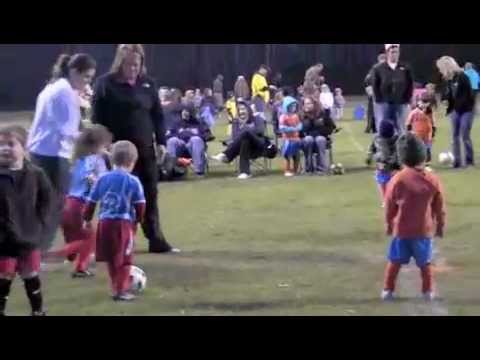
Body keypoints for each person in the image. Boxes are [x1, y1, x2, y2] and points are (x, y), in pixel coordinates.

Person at [92, 44, 179, 254]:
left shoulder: (148, 84)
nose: (133, 68)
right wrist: (104, 145)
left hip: (145, 150)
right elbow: (97, 119)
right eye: (129, 64)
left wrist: (161, 142)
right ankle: (115, 243)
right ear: (120, 63)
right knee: (118, 196)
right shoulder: (105, 84)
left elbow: (158, 116)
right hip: (118, 152)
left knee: (149, 194)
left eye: (136, 64)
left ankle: (156, 240)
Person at [27, 53, 97, 254]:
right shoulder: (65, 92)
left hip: (39, 153)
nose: (87, 83)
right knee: (54, 206)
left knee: (43, 205)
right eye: (86, 77)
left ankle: (34, 249)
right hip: (54, 156)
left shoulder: (52, 87)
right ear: (74, 71)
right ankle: (37, 252)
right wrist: (92, 139)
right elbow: (69, 132)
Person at [381, 133, 446, 302]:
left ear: (402, 157)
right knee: (425, 264)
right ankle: (428, 291)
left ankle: (388, 290)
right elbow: (439, 207)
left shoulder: (397, 180)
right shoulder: (432, 179)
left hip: (401, 231)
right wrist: (440, 226)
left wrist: (389, 224)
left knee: (394, 261)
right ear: (422, 155)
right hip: (423, 231)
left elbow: (389, 205)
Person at [0, 126, 53, 316]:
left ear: (23, 147)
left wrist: (40, 223)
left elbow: (47, 199)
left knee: (31, 275)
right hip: (4, 239)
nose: (4, 149)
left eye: (10, 144)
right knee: (4, 276)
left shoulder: (36, 174)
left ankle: (38, 310)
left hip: (29, 235)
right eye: (0, 145)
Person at [84, 141, 146, 302]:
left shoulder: (102, 179)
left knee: (112, 258)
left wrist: (87, 219)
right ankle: (121, 291)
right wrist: (138, 221)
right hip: (122, 225)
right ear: (132, 162)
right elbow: (140, 205)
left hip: (104, 224)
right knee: (125, 259)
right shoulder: (133, 181)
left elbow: (91, 201)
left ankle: (116, 287)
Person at [48, 125, 112, 278]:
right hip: (80, 206)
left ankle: (77, 265)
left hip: (65, 204)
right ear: (98, 145)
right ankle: (52, 256)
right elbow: (104, 181)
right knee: (89, 239)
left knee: (80, 238)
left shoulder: (76, 161)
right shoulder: (96, 161)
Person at [212, 100, 274, 180]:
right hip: (243, 149)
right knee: (245, 141)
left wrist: (245, 127)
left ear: (248, 109)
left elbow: (260, 131)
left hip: (259, 147)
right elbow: (235, 138)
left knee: (246, 133)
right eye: (239, 110)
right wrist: (245, 129)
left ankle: (227, 155)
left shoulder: (257, 118)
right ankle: (245, 172)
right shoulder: (235, 122)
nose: (241, 112)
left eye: (243, 109)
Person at [437, 56, 476, 169]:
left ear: (447, 66)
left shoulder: (463, 77)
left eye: (441, 68)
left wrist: (460, 106)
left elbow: (469, 95)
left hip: (467, 110)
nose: (440, 71)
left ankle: (469, 161)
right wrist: (446, 100)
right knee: (454, 136)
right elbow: (449, 95)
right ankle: (457, 162)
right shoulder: (449, 79)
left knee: (464, 134)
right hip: (455, 110)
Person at [373, 44, 414, 134]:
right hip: (384, 103)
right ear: (387, 53)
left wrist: (407, 98)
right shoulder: (378, 68)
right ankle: (384, 147)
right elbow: (375, 86)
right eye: (392, 52)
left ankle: (401, 147)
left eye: (396, 52)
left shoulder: (405, 67)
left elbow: (410, 84)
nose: (394, 54)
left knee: (401, 128)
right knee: (383, 128)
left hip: (401, 102)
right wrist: (379, 100)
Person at [166, 105, 208, 176]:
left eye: (186, 111)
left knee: (195, 139)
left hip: (193, 146)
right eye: (183, 111)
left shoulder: (199, 123)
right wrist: (178, 137)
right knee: (172, 140)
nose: (184, 113)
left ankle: (199, 171)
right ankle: (170, 169)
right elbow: (168, 135)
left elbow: (207, 135)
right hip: (180, 145)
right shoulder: (176, 124)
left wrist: (195, 136)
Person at [366, 121, 401, 207]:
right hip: (381, 165)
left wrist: (394, 164)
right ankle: (385, 200)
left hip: (393, 167)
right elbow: (371, 148)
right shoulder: (377, 138)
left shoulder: (397, 140)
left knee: (392, 183)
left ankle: (394, 199)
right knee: (382, 182)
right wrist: (369, 157)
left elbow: (398, 153)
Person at [301, 96, 336, 175]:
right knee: (308, 140)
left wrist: (322, 131)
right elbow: (302, 129)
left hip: (321, 136)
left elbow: (331, 127)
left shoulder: (322, 114)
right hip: (308, 137)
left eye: (309, 103)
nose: (307, 105)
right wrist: (308, 118)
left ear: (314, 104)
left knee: (319, 139)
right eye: (306, 104)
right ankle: (308, 168)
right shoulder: (302, 116)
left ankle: (321, 168)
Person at [406, 93, 436, 165]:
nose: (424, 104)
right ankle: (416, 161)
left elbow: (433, 123)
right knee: (417, 148)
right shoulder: (414, 112)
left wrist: (433, 134)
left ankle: (427, 163)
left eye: (426, 102)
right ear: (419, 102)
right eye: (423, 102)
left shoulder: (430, 112)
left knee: (427, 148)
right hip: (416, 134)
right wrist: (409, 132)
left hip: (427, 134)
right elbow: (408, 122)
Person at [279, 96, 302, 177]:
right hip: (287, 140)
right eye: (292, 106)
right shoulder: (283, 117)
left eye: (295, 106)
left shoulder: (296, 116)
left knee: (296, 155)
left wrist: (299, 127)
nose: (293, 108)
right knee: (287, 155)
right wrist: (291, 129)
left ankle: (296, 169)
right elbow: (281, 128)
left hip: (295, 139)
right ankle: (287, 170)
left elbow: (299, 125)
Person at [365, 52, 387, 133]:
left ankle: (379, 127)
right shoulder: (375, 69)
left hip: (384, 94)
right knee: (373, 111)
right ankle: (371, 127)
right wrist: (369, 91)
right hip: (376, 94)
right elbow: (367, 80)